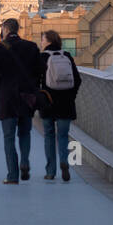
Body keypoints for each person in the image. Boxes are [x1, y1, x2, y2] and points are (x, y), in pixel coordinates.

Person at [0, 18, 42, 184]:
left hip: (8, 97)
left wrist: (0, 82)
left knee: (9, 137)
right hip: (27, 97)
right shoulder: (31, 47)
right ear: (18, 30)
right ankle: (24, 161)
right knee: (25, 133)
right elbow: (40, 70)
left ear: (4, 29)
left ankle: (12, 175)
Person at [39, 30, 82, 182]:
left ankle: (50, 171)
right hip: (66, 103)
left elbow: (36, 79)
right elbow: (77, 80)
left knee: (49, 136)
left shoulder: (43, 57)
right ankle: (64, 162)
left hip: (48, 102)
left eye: (43, 40)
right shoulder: (67, 56)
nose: (41, 42)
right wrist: (71, 97)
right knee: (63, 136)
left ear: (48, 41)